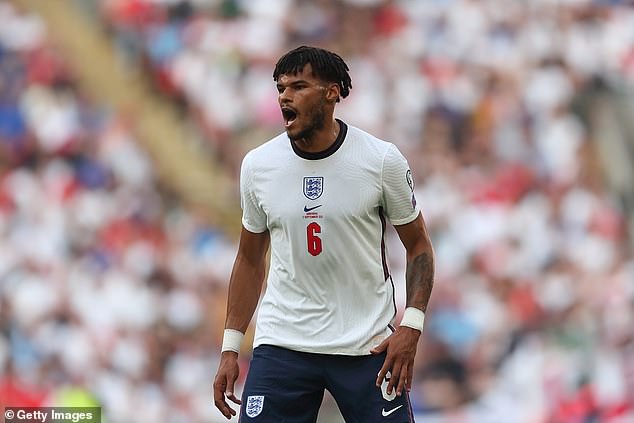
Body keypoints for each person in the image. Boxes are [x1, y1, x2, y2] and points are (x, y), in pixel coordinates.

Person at [213, 45, 435, 423]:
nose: (285, 95)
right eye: (281, 88)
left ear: (332, 93)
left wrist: (411, 326)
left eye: (298, 86)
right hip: (284, 342)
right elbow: (250, 259)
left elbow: (418, 248)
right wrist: (231, 347)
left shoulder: (381, 161)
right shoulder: (258, 165)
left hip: (365, 344)